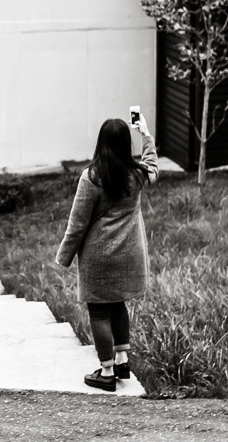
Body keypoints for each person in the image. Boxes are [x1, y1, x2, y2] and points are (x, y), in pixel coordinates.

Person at [55, 114, 159, 391]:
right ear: (126, 144)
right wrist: (146, 134)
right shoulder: (137, 175)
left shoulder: (91, 177)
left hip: (98, 257)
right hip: (128, 254)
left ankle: (107, 372)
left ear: (101, 143)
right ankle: (122, 360)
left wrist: (63, 257)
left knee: (99, 312)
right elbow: (153, 165)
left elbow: (77, 224)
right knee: (118, 304)